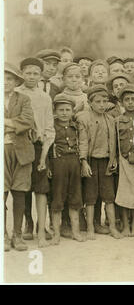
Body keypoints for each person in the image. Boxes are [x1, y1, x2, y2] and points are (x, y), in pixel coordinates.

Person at [17, 58, 55, 248]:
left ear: (40, 76)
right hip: (20, 144)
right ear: (21, 74)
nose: (31, 77)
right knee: (22, 187)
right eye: (27, 73)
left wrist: (44, 153)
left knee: (41, 188)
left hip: (40, 146)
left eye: (35, 73)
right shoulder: (15, 94)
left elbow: (49, 127)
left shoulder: (44, 97)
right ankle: (28, 223)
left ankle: (41, 228)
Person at [77, 85, 122, 240]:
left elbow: (114, 142)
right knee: (90, 197)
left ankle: (112, 227)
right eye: (98, 101)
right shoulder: (84, 118)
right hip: (91, 161)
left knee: (109, 196)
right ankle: (90, 227)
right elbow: (82, 141)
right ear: (90, 103)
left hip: (106, 162)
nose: (102, 104)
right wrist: (83, 161)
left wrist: (113, 158)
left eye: (104, 101)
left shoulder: (110, 119)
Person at [4, 62, 35, 252]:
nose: (5, 82)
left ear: (16, 81)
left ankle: (17, 234)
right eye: (2, 79)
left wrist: (6, 122)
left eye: (9, 79)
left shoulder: (23, 99)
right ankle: (4, 236)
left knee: (19, 192)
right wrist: (15, 125)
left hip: (21, 151)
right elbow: (20, 124)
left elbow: (28, 121)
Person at [50, 94, 85, 245]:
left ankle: (75, 231)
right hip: (58, 162)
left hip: (74, 163)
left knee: (75, 197)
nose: (64, 113)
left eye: (67, 110)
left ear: (72, 111)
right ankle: (56, 233)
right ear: (55, 111)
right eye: (61, 110)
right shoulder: (51, 126)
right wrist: (49, 166)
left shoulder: (75, 126)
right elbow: (48, 147)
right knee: (57, 198)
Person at [115, 84, 134, 237]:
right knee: (124, 194)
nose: (130, 102)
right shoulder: (118, 120)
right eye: (127, 100)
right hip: (124, 160)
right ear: (121, 103)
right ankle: (125, 225)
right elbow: (115, 143)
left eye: (133, 99)